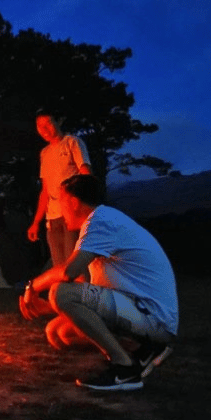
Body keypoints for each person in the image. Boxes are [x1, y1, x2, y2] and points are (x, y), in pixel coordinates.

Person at [20, 174, 178, 391]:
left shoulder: (100, 220)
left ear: (74, 202)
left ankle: (125, 369)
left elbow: (68, 273)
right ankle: (144, 348)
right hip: (141, 311)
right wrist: (49, 307)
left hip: (153, 316)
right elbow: (86, 289)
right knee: (59, 332)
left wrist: (33, 286)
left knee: (61, 291)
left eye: (61, 202)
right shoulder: (100, 222)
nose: (59, 210)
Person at [27, 110, 92, 266]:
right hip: (52, 217)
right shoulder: (45, 153)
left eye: (48, 123)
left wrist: (87, 208)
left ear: (59, 122)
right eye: (39, 126)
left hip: (72, 213)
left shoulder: (72, 142)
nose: (44, 130)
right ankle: (65, 291)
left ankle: (82, 290)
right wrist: (36, 222)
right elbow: (45, 190)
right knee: (59, 265)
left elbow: (86, 175)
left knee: (73, 264)